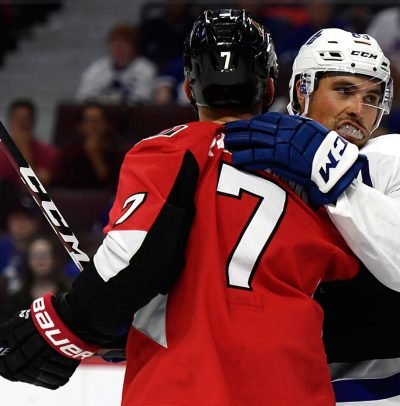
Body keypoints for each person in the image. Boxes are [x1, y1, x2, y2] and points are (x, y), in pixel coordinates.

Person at [0, 9, 363, 405]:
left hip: (181, 386)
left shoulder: (167, 151)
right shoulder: (322, 172)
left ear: (189, 89)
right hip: (293, 388)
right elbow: (369, 312)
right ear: (269, 87)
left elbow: (137, 263)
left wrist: (63, 326)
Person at [225, 28, 400, 404]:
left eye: (371, 97)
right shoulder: (256, 153)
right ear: (302, 90)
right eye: (344, 91)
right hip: (275, 386)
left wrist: (332, 172)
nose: (359, 109)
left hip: (389, 394)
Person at [75, 23, 157, 105]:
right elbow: (84, 96)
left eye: (124, 42)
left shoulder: (145, 69)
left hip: (132, 114)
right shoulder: (97, 67)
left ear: (134, 46)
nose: (118, 46)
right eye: (115, 42)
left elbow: (142, 99)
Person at [55, 103, 123, 191]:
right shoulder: (70, 152)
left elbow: (116, 188)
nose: (94, 126)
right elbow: (62, 186)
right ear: (79, 126)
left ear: (107, 125)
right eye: (88, 121)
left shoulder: (118, 152)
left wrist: (95, 155)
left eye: (98, 121)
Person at [5, 235, 70, 314]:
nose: (40, 260)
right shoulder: (17, 298)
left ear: (55, 259)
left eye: (45, 255)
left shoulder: (67, 295)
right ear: (28, 259)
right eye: (35, 255)